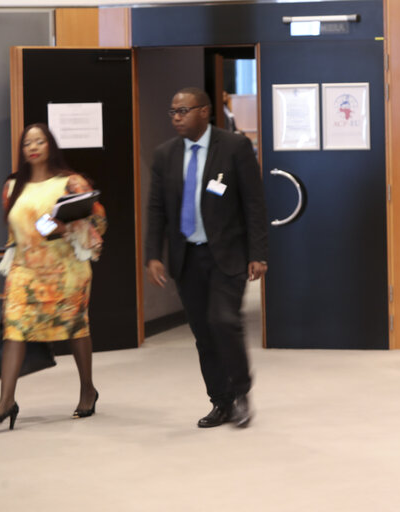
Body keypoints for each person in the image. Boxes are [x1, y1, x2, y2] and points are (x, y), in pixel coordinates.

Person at [145, 86, 267, 429]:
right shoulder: (165, 155)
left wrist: (258, 253)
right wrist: (153, 254)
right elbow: (157, 210)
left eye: (183, 110)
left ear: (205, 111)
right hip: (187, 257)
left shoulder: (234, 147)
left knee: (224, 321)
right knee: (203, 333)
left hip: (227, 254)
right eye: (172, 112)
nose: (176, 117)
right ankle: (221, 401)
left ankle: (242, 393)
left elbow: (254, 204)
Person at [0, 123, 107, 430]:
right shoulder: (12, 186)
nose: (33, 147)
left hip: (66, 272)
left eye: (39, 141)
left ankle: (87, 390)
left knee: (76, 328)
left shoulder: (71, 182)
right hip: (24, 271)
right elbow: (13, 230)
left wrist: (62, 228)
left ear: (50, 145)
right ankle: (6, 402)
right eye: (27, 143)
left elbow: (98, 222)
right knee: (15, 330)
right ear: (23, 151)